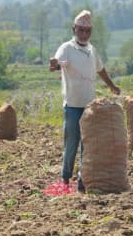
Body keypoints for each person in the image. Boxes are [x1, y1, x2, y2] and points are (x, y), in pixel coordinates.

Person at [48, 10, 120, 191]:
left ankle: (82, 181)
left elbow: (101, 69)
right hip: (72, 106)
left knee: (87, 146)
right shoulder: (67, 48)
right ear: (74, 29)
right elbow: (57, 62)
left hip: (90, 107)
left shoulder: (92, 50)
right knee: (71, 144)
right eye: (81, 30)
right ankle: (65, 179)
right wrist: (54, 64)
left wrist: (111, 85)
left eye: (88, 31)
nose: (84, 34)